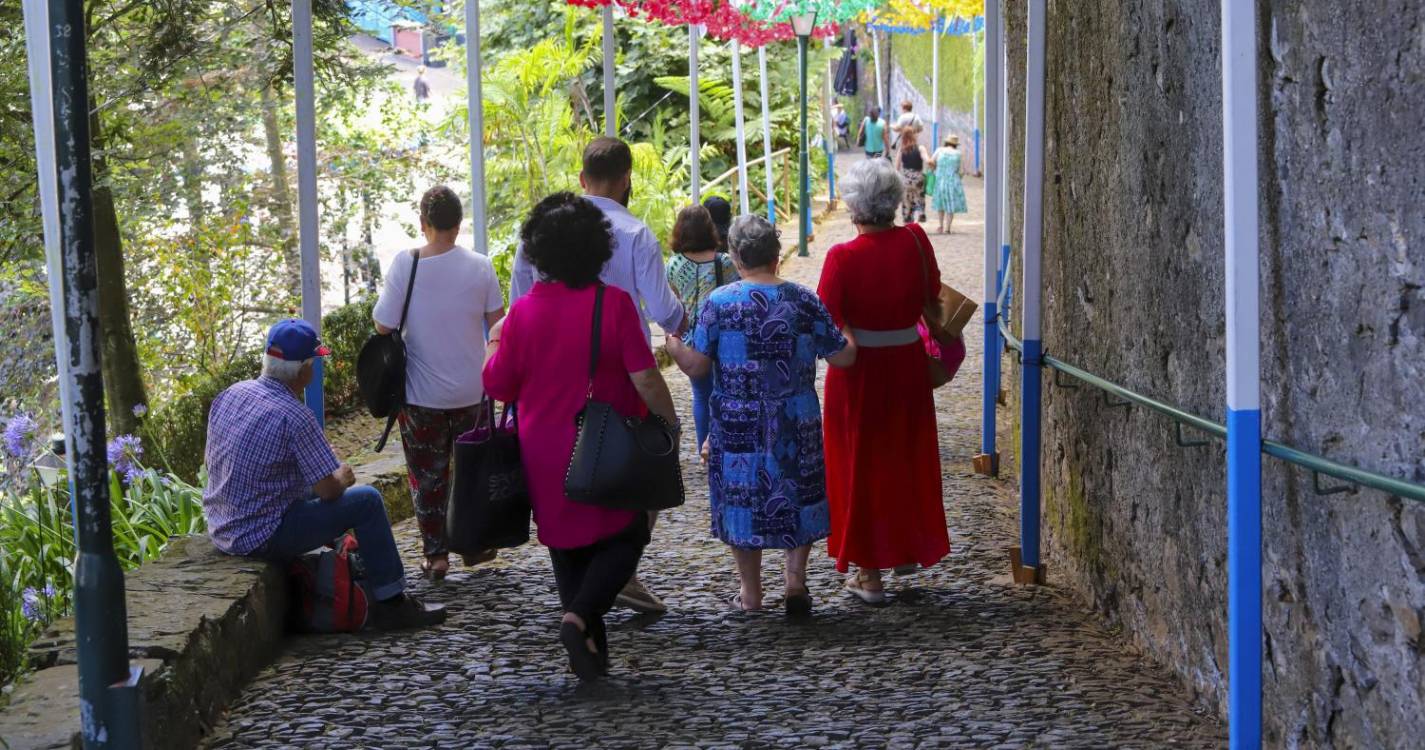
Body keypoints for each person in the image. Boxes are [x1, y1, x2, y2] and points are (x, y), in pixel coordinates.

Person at [483, 192, 680, 680]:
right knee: (627, 530)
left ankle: (589, 648)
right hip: (606, 445)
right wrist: (668, 425)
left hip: (543, 449)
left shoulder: (524, 314)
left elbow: (497, 383)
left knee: (565, 543)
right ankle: (578, 619)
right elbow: (646, 377)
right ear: (598, 247)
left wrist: (492, 342)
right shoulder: (612, 305)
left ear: (538, 252)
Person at [510, 137, 684, 614]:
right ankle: (614, 575)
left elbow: (517, 304)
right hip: (619, 377)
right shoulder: (636, 234)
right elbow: (666, 310)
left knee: (561, 477)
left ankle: (587, 595)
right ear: (627, 178)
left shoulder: (539, 232)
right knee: (639, 475)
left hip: (546, 382)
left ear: (582, 178)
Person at [666, 216, 856, 617]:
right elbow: (843, 355)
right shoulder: (804, 301)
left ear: (735, 256)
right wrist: (850, 330)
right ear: (776, 254)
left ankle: (751, 594)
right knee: (799, 492)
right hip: (795, 415)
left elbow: (698, 365)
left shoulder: (719, 303)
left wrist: (673, 345)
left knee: (742, 499)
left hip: (738, 422)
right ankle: (795, 581)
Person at [203, 319, 446, 630]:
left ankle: (361, 581)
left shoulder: (231, 395)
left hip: (222, 524)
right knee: (367, 501)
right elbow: (329, 490)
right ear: (304, 369)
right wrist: (343, 475)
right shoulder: (294, 415)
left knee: (309, 491)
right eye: (314, 362)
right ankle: (393, 602)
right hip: (261, 535)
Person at [817, 158, 949, 606]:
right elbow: (933, 296)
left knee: (859, 466)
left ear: (853, 206)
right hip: (907, 364)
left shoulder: (841, 257)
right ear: (893, 200)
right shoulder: (915, 241)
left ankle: (868, 574)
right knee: (903, 456)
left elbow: (825, 323)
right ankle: (905, 547)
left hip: (859, 374)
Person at [373, 185, 506, 581]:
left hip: (420, 397)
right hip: (472, 392)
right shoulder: (481, 266)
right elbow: (499, 323)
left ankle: (436, 557)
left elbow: (383, 324)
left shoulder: (405, 263)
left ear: (423, 223)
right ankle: (474, 544)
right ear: (459, 224)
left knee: (428, 477)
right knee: (471, 472)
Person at [665, 205, 738, 456]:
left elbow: (673, 303)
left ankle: (703, 449)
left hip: (690, 341)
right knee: (725, 392)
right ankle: (726, 446)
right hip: (723, 337)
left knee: (701, 394)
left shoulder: (673, 265)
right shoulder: (725, 263)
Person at [929, 135, 969, 233]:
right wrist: (958, 177)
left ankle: (940, 225)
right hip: (953, 180)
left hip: (940, 180)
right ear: (955, 145)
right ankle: (948, 228)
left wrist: (935, 170)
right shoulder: (958, 154)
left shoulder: (939, 150)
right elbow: (962, 170)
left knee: (940, 204)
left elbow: (930, 162)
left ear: (946, 143)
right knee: (950, 205)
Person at [896, 127, 931, 225]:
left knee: (907, 200)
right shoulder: (920, 148)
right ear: (914, 135)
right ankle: (920, 213)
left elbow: (897, 167)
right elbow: (927, 160)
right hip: (918, 178)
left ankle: (908, 219)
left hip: (906, 179)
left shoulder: (901, 149)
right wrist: (932, 163)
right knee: (919, 197)